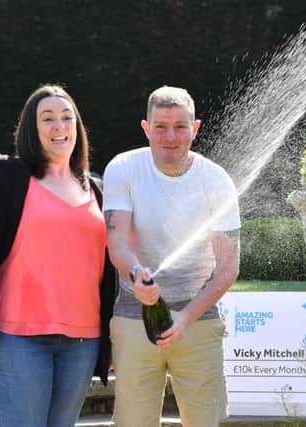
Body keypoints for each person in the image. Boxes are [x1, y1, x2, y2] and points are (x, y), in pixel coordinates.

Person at [0, 66, 117, 427]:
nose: (59, 126)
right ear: (32, 128)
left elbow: (113, 267)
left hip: (83, 340)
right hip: (19, 337)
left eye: (66, 117)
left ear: (77, 126)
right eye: (47, 119)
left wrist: (112, 338)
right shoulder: (5, 175)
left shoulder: (98, 190)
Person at [103, 86, 240, 427]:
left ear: (195, 129)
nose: (170, 136)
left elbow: (227, 268)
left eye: (180, 126)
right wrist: (136, 274)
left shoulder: (215, 179)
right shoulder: (123, 168)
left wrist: (185, 317)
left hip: (199, 321)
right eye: (160, 126)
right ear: (146, 128)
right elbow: (116, 238)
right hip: (134, 317)